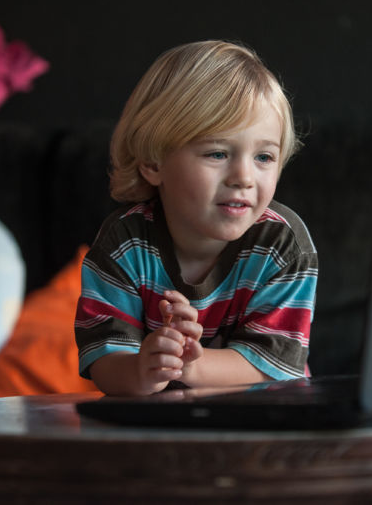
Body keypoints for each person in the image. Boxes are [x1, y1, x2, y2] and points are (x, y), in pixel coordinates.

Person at [74, 40, 318, 397]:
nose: (244, 177)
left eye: (264, 157)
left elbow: (274, 365)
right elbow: (105, 360)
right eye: (218, 153)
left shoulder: (282, 245)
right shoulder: (124, 244)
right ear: (154, 163)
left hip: (267, 415)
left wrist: (191, 366)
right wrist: (142, 369)